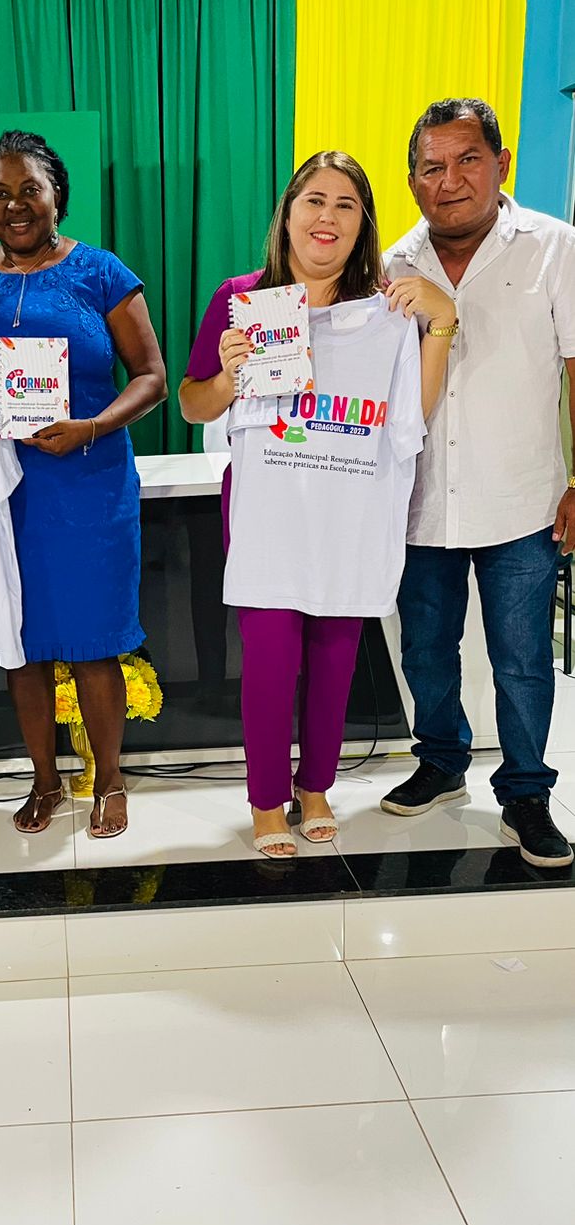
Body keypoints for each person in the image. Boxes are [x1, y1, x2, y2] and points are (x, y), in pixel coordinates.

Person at [179, 152, 455, 856]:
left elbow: (410, 417)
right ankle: (266, 798)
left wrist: (442, 324)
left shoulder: (386, 309)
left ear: (363, 224)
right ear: (289, 212)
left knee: (335, 658)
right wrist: (230, 375)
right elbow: (191, 404)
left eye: (345, 205)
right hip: (267, 512)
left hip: (347, 509)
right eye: (314, 200)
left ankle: (316, 787)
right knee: (271, 661)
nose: (327, 217)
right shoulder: (242, 299)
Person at [0, 129, 167, 839]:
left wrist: (90, 426)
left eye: (29, 188)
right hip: (4, 493)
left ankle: (109, 780)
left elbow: (152, 378)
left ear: (56, 195)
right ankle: (43, 780)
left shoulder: (101, 272)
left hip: (90, 484)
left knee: (95, 641)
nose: (16, 204)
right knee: (23, 645)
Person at [380, 98, 575, 868]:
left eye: (467, 160)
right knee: (426, 649)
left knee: (521, 658)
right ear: (412, 180)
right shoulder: (392, 265)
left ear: (502, 164)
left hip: (521, 499)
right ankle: (441, 761)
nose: (449, 180)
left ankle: (526, 791)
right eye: (432, 167)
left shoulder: (554, 248)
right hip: (420, 500)